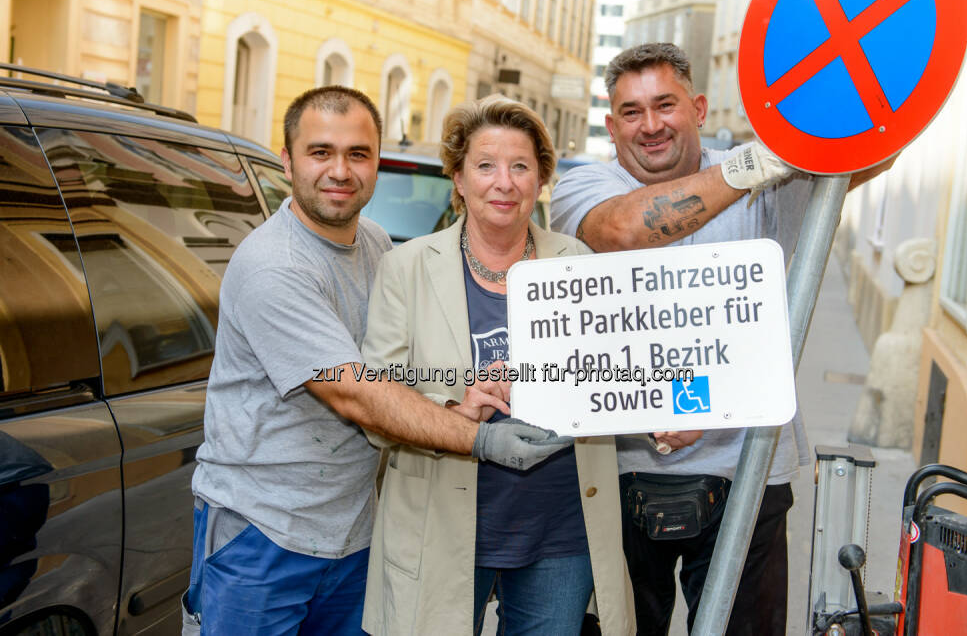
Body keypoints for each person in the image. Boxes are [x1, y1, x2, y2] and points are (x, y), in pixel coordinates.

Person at [184, 86, 572, 635]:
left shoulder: (373, 242)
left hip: (354, 531)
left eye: (358, 154)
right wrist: (479, 439)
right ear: (286, 160)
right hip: (264, 535)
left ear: (376, 162)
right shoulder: (275, 266)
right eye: (320, 152)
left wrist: (459, 399)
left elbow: (412, 369)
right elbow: (357, 393)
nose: (340, 170)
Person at [550, 43, 893, 636]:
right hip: (615, 473)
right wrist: (748, 168)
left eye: (666, 104)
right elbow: (625, 232)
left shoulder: (767, 180)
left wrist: (890, 76)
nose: (650, 125)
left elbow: (865, 153)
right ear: (610, 125)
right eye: (631, 112)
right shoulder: (585, 189)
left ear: (700, 107)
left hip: (750, 470)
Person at [359, 94, 635, 636]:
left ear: (541, 180)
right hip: (442, 523)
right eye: (485, 166)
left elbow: (612, 377)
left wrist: (659, 409)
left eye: (520, 166)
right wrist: (453, 411)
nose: (503, 183)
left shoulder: (576, 262)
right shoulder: (406, 267)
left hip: (559, 529)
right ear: (458, 179)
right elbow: (375, 404)